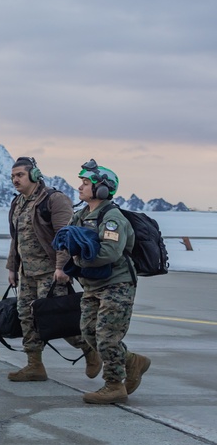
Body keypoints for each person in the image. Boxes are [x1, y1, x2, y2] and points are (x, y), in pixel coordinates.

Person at [5, 157, 101, 381]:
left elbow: (65, 236)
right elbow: (15, 238)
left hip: (51, 273)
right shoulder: (18, 202)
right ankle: (34, 366)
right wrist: (12, 267)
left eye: (19, 175)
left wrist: (62, 267)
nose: (15, 180)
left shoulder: (53, 200)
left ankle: (89, 349)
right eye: (12, 176)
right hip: (26, 273)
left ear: (35, 175)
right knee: (27, 318)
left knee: (58, 320)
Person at [67, 159, 150, 404]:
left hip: (117, 285)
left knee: (106, 336)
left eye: (86, 183)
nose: (80, 187)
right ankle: (133, 361)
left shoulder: (112, 218)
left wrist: (79, 260)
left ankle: (114, 386)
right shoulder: (81, 215)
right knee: (89, 332)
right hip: (93, 285)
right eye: (81, 182)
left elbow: (110, 253)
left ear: (102, 189)